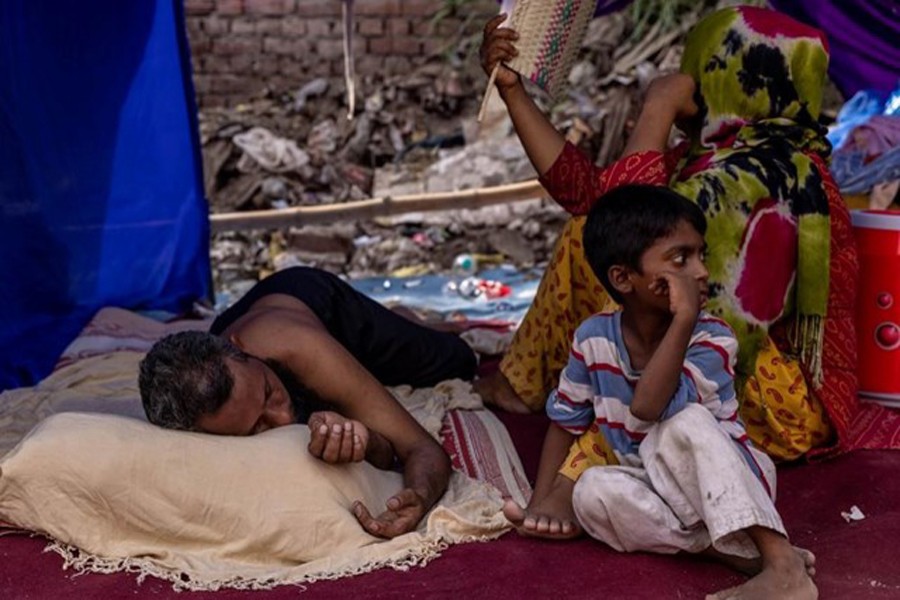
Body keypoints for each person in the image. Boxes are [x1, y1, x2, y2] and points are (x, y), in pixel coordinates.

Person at [477, 6, 861, 461]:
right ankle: (530, 386)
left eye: (698, 69)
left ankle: (606, 419)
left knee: (611, 251)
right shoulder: (714, 157)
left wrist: (657, 107)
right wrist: (513, 92)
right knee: (592, 230)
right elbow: (587, 196)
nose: (689, 82)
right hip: (738, 369)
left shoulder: (770, 176)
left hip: (786, 409)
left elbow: (626, 223)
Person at [505, 184, 817, 599]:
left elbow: (649, 406)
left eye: (700, 255)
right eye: (680, 258)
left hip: (728, 486)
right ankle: (723, 551)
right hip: (651, 485)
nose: (702, 271)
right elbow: (565, 422)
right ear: (623, 278)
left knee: (679, 424)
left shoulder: (712, 338)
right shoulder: (593, 338)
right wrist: (543, 502)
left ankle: (780, 561)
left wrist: (685, 317)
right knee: (592, 492)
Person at [139, 266, 478, 539]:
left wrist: (418, 496)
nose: (284, 418)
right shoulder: (207, 405)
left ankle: (406, 320)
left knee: (458, 361)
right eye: (258, 426)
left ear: (240, 347)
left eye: (270, 392)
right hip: (257, 315)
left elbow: (421, 448)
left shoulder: (297, 346)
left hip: (319, 301)